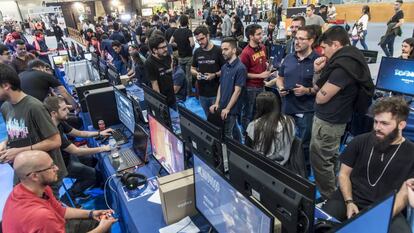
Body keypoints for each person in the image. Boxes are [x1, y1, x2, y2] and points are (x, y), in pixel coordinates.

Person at [323, 96, 414, 233]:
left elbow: (404, 193)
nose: (377, 127)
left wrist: (377, 218)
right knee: (320, 225)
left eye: (384, 123)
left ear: (401, 125)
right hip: (350, 198)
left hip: (387, 207)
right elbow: (343, 174)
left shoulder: (411, 153)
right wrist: (349, 202)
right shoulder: (360, 141)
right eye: (376, 122)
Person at [310, 26, 374, 200]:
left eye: (324, 47)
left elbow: (320, 97)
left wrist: (319, 85)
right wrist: (318, 72)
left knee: (321, 161)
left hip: (329, 122)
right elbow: (318, 87)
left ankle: (329, 199)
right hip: (334, 120)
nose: (322, 52)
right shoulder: (349, 59)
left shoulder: (343, 66)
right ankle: (336, 191)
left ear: (336, 44)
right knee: (331, 158)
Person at [2, 150, 116, 233]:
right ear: (34, 176)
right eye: (50, 167)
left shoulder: (32, 188)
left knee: (94, 222)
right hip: (43, 224)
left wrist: (91, 213)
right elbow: (44, 219)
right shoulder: (40, 216)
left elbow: (60, 211)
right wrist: (101, 229)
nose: (57, 168)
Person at [0, 64, 66, 197]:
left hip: (44, 174)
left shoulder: (34, 107)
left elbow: (55, 141)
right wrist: (5, 143)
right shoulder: (6, 107)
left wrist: (18, 151)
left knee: (47, 214)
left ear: (6, 85)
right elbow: (19, 132)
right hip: (25, 173)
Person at [265, 25, 319, 175]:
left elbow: (322, 89)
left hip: (306, 111)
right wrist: (280, 87)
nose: (297, 41)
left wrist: (307, 91)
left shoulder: (318, 61)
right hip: (287, 107)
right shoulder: (288, 58)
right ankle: (287, 170)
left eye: (301, 39)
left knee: (304, 145)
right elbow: (280, 78)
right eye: (296, 38)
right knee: (285, 140)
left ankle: (304, 174)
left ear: (311, 41)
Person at [44, 96, 112, 203]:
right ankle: (67, 199)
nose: (68, 111)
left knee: (93, 160)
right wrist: (103, 148)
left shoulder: (59, 122)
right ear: (53, 113)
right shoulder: (53, 131)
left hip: (68, 158)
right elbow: (76, 151)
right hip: (62, 166)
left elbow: (79, 133)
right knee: (92, 175)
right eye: (64, 109)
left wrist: (99, 133)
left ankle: (83, 188)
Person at [240, 24, 274, 135]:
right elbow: (243, 74)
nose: (261, 36)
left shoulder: (263, 47)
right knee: (248, 113)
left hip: (261, 85)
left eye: (261, 33)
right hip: (250, 88)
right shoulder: (245, 53)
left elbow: (261, 63)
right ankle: (246, 136)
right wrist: (260, 75)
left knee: (259, 111)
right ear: (250, 36)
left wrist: (267, 65)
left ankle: (256, 133)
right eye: (258, 34)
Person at [209, 37, 246, 139]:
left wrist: (228, 108)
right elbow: (221, 85)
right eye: (222, 49)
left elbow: (237, 91)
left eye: (226, 49)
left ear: (234, 50)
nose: (223, 52)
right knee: (230, 130)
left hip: (231, 109)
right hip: (222, 106)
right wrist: (216, 103)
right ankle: (239, 145)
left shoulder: (241, 68)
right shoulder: (224, 67)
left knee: (227, 135)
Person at [246, 91, 295, 165]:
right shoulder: (290, 121)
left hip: (264, 166)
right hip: (286, 165)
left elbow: (248, 150)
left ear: (259, 107)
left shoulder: (254, 125)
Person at [191, 25, 225, 116]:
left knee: (218, 119)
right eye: (198, 40)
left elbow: (226, 70)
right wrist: (196, 73)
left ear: (208, 36)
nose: (200, 42)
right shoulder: (197, 52)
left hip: (216, 92)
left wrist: (214, 75)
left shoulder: (218, 51)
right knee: (208, 117)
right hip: (202, 93)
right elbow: (192, 68)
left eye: (202, 39)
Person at [144, 35, 176, 107]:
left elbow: (170, 72)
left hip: (171, 96)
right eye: (162, 47)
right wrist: (160, 104)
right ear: (154, 50)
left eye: (166, 46)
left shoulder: (167, 56)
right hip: (162, 99)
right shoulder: (149, 63)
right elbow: (154, 85)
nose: (166, 49)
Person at [169, 15, 195, 96]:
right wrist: (190, 48)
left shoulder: (176, 31)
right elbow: (192, 43)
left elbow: (170, 42)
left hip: (180, 56)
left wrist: (178, 45)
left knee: (182, 75)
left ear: (179, 22)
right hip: (188, 56)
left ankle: (183, 91)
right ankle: (189, 92)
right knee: (189, 76)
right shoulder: (188, 31)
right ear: (187, 22)